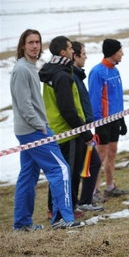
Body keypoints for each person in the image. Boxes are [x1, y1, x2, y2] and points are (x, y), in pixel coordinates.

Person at [10, 29, 84, 231]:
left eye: (37, 42)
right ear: (22, 46)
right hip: (34, 131)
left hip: (30, 130)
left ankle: (22, 224)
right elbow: (25, 106)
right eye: (30, 42)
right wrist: (41, 126)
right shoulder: (22, 70)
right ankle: (63, 218)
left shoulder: (30, 67)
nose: (34, 46)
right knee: (60, 169)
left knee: (28, 175)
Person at [39, 35, 97, 227]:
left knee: (61, 173)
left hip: (58, 130)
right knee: (68, 174)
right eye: (71, 48)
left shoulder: (54, 71)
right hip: (67, 132)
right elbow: (67, 110)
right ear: (63, 52)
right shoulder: (62, 76)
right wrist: (84, 132)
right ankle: (65, 211)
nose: (74, 51)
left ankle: (55, 209)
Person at [88, 38, 129, 202]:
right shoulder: (97, 72)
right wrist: (99, 122)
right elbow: (94, 99)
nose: (122, 54)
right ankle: (93, 190)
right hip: (102, 121)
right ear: (113, 52)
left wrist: (122, 118)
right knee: (100, 155)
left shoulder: (115, 70)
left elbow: (118, 97)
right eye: (120, 51)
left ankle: (110, 186)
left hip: (115, 119)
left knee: (112, 153)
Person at [71, 41, 104, 212]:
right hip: (79, 130)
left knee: (92, 163)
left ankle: (83, 200)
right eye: (83, 53)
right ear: (75, 56)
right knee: (89, 164)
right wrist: (84, 130)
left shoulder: (77, 75)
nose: (86, 57)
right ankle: (80, 202)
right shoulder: (72, 77)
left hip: (84, 128)